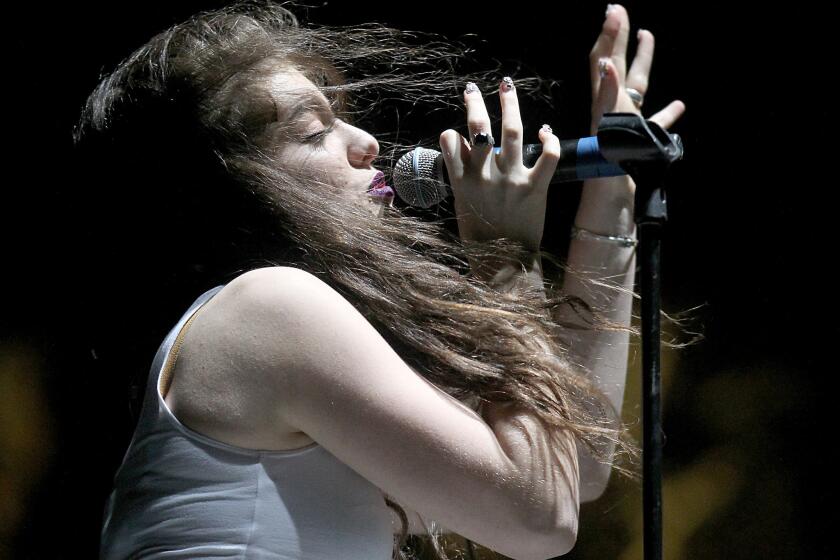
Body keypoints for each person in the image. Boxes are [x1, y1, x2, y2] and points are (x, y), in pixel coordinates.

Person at [73, 2, 686, 559]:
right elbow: (539, 518)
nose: (367, 144)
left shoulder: (278, 336)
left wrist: (612, 195)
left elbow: (570, 472)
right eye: (315, 133)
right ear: (227, 197)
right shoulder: (268, 309)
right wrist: (503, 258)